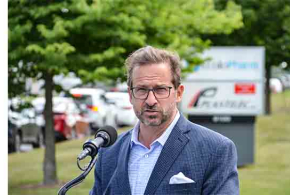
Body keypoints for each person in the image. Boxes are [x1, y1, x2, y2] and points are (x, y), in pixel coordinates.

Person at [90, 46, 239, 195]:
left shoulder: (215, 149)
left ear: (178, 93)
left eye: (160, 89)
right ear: (130, 95)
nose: (150, 100)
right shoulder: (109, 152)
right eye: (141, 89)